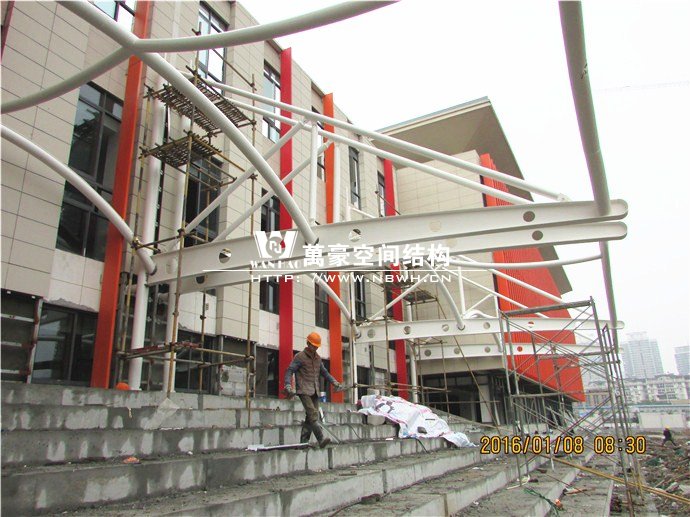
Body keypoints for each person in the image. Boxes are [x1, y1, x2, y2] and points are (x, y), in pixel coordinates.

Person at [284, 331, 344, 448]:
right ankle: (321, 439)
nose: (315, 348)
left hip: (315, 391)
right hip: (303, 391)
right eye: (313, 345)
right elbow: (289, 370)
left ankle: (303, 443)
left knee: (309, 418)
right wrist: (288, 385)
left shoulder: (318, 359)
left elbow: (324, 373)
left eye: (317, 346)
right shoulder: (300, 357)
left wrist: (334, 382)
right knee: (313, 414)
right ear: (308, 343)